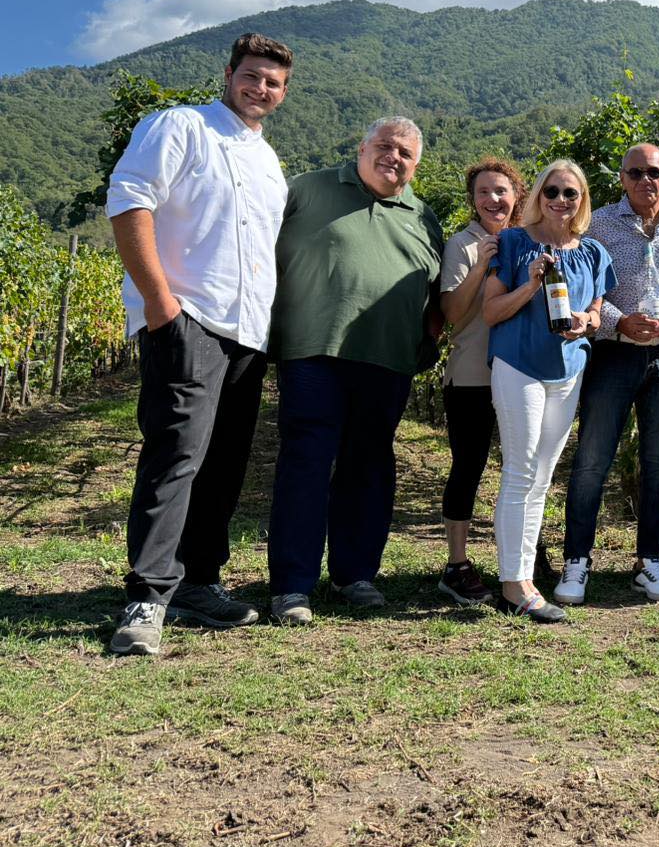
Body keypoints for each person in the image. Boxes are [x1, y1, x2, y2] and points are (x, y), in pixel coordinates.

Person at [105, 33, 293, 655]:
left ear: (283, 93)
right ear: (229, 73)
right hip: (191, 318)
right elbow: (130, 199)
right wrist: (161, 303)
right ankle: (148, 595)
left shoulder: (269, 162)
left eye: (272, 81)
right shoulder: (180, 126)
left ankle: (199, 582)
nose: (260, 87)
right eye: (252, 75)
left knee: (225, 462)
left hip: (248, 332)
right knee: (176, 455)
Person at [267, 117, 444, 626]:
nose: (394, 157)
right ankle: (292, 586)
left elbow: (434, 293)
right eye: (385, 146)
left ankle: (356, 574)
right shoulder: (307, 189)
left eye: (406, 153)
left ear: (416, 165)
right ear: (361, 147)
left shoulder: (422, 215)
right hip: (312, 351)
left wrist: (427, 338)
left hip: (388, 359)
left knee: (369, 466)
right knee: (306, 464)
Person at [553, 144, 659, 607]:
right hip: (614, 355)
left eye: (653, 172)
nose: (645, 180)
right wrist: (620, 321)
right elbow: (588, 287)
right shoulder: (598, 223)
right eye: (635, 172)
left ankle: (649, 562)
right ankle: (576, 561)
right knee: (593, 460)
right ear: (621, 178)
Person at [482, 159, 614, 622]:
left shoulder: (595, 253)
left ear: (582, 201)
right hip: (519, 366)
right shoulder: (515, 243)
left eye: (570, 194)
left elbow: (597, 314)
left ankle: (522, 579)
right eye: (552, 192)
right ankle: (514, 583)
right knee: (520, 470)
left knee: (541, 476)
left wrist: (586, 322)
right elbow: (491, 313)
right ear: (538, 196)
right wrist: (531, 284)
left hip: (568, 372)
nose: (560, 200)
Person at [436, 158, 527, 605]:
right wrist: (483, 265)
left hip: (523, 373)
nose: (493, 199)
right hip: (473, 374)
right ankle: (456, 564)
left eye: (501, 191)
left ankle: (524, 556)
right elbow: (453, 314)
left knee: (522, 468)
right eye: (484, 192)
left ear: (517, 195)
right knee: (468, 466)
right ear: (473, 200)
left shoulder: (530, 241)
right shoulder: (463, 244)